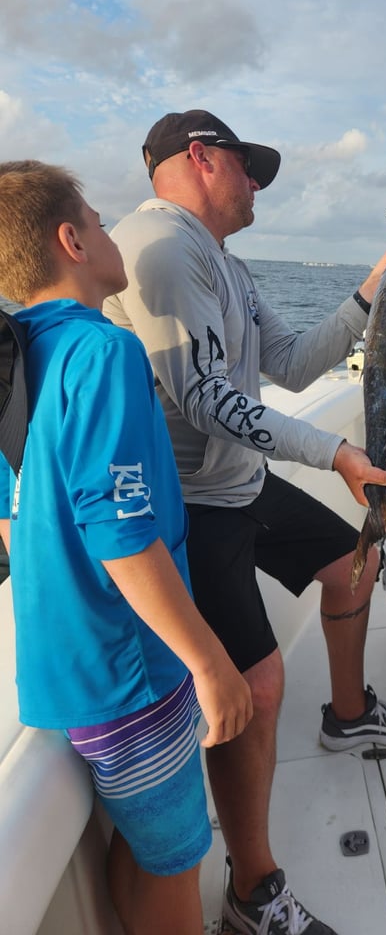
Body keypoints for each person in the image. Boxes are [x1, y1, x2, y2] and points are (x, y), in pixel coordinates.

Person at [103, 109, 386, 934]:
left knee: (355, 565)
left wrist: (372, 291)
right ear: (202, 158)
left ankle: (348, 715)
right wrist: (338, 454)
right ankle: (255, 890)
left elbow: (286, 364)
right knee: (257, 683)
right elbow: (205, 402)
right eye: (250, 168)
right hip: (194, 508)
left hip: (240, 483)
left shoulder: (225, 264)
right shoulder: (163, 246)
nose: (257, 186)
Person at [0, 160, 253, 935]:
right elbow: (120, 530)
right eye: (101, 222)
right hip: (133, 677)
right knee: (178, 868)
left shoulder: (12, 364)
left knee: (145, 849)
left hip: (64, 673)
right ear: (72, 240)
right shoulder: (103, 352)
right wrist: (211, 664)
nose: (114, 234)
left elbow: (14, 521)